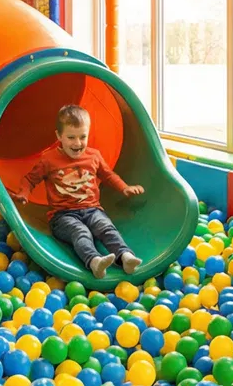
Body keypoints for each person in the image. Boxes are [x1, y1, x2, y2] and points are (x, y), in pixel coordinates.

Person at [9, 104, 147, 280]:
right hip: (62, 216)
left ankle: (126, 257)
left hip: (93, 209)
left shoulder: (94, 156)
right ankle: (94, 261)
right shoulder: (49, 160)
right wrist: (24, 194)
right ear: (59, 136)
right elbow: (30, 179)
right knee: (80, 232)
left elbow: (108, 175)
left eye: (83, 137)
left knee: (106, 228)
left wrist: (124, 187)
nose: (78, 143)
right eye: (71, 137)